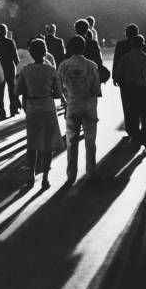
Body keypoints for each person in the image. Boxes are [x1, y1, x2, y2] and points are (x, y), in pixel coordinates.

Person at [15, 39, 64, 189]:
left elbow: (16, 91)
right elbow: (57, 94)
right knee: (47, 144)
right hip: (48, 107)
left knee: (32, 143)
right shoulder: (51, 71)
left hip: (31, 108)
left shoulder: (26, 70)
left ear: (30, 52)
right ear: (45, 52)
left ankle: (30, 175)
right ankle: (45, 178)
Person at [58, 36, 101, 187]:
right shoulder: (91, 65)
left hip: (72, 104)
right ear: (84, 48)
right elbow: (96, 89)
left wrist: (68, 97)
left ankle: (71, 174)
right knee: (90, 141)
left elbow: (60, 88)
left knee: (71, 141)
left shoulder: (64, 65)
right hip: (88, 104)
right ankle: (91, 172)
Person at [114, 35, 146, 150]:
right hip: (145, 90)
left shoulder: (125, 58)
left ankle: (135, 139)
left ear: (131, 44)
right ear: (143, 45)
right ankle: (145, 139)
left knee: (132, 116)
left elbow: (118, 75)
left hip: (130, 90)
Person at [113, 23, 139, 137]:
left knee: (127, 104)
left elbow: (116, 61)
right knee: (139, 104)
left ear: (126, 33)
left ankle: (130, 128)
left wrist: (115, 76)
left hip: (124, 78)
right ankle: (138, 127)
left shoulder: (120, 45)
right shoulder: (140, 44)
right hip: (139, 78)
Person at [0, 24, 20, 118]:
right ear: (5, 31)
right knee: (12, 90)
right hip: (9, 69)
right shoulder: (10, 42)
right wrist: (19, 69)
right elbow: (15, 58)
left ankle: (1, 114)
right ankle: (13, 110)